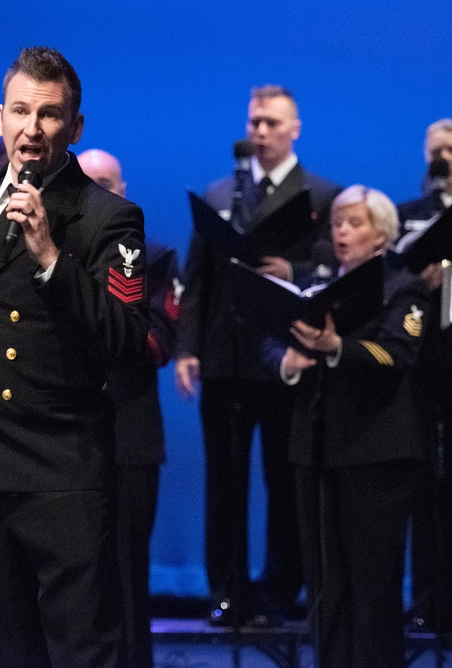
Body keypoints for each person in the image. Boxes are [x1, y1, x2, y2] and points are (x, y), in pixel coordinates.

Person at [0, 46, 149, 666]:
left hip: (61, 471)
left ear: (75, 128)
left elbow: (126, 337)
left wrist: (51, 258)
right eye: (22, 111)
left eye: (50, 115)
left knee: (83, 651)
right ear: (0, 117)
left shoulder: (108, 216)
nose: (33, 129)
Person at [175, 85, 342, 626]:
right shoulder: (221, 193)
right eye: (254, 122)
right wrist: (187, 349)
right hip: (225, 359)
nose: (260, 132)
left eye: (271, 122)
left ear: (295, 129)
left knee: (283, 478)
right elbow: (196, 279)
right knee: (224, 480)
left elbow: (338, 269)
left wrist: (294, 272)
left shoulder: (320, 195)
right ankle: (227, 591)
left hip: (286, 360)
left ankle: (279, 590)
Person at [271, 185, 430, 667]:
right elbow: (273, 348)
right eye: (338, 222)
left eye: (355, 223)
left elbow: (395, 354)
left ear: (381, 233)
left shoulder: (402, 286)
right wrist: (292, 362)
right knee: (326, 582)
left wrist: (335, 348)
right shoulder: (314, 290)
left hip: (376, 452)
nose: (341, 232)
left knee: (372, 586)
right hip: (316, 449)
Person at [78, 148, 181, 668]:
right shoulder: (53, 256)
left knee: (125, 572)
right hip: (64, 438)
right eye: (86, 182)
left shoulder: (156, 258)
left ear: (123, 191)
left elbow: (160, 343)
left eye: (106, 183)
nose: (97, 191)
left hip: (129, 437)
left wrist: (100, 330)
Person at [396, 118, 452, 634]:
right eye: (435, 150)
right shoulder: (409, 217)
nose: (442, 159)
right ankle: (426, 597)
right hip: (419, 368)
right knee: (421, 491)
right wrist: (418, 280)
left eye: (450, 151)